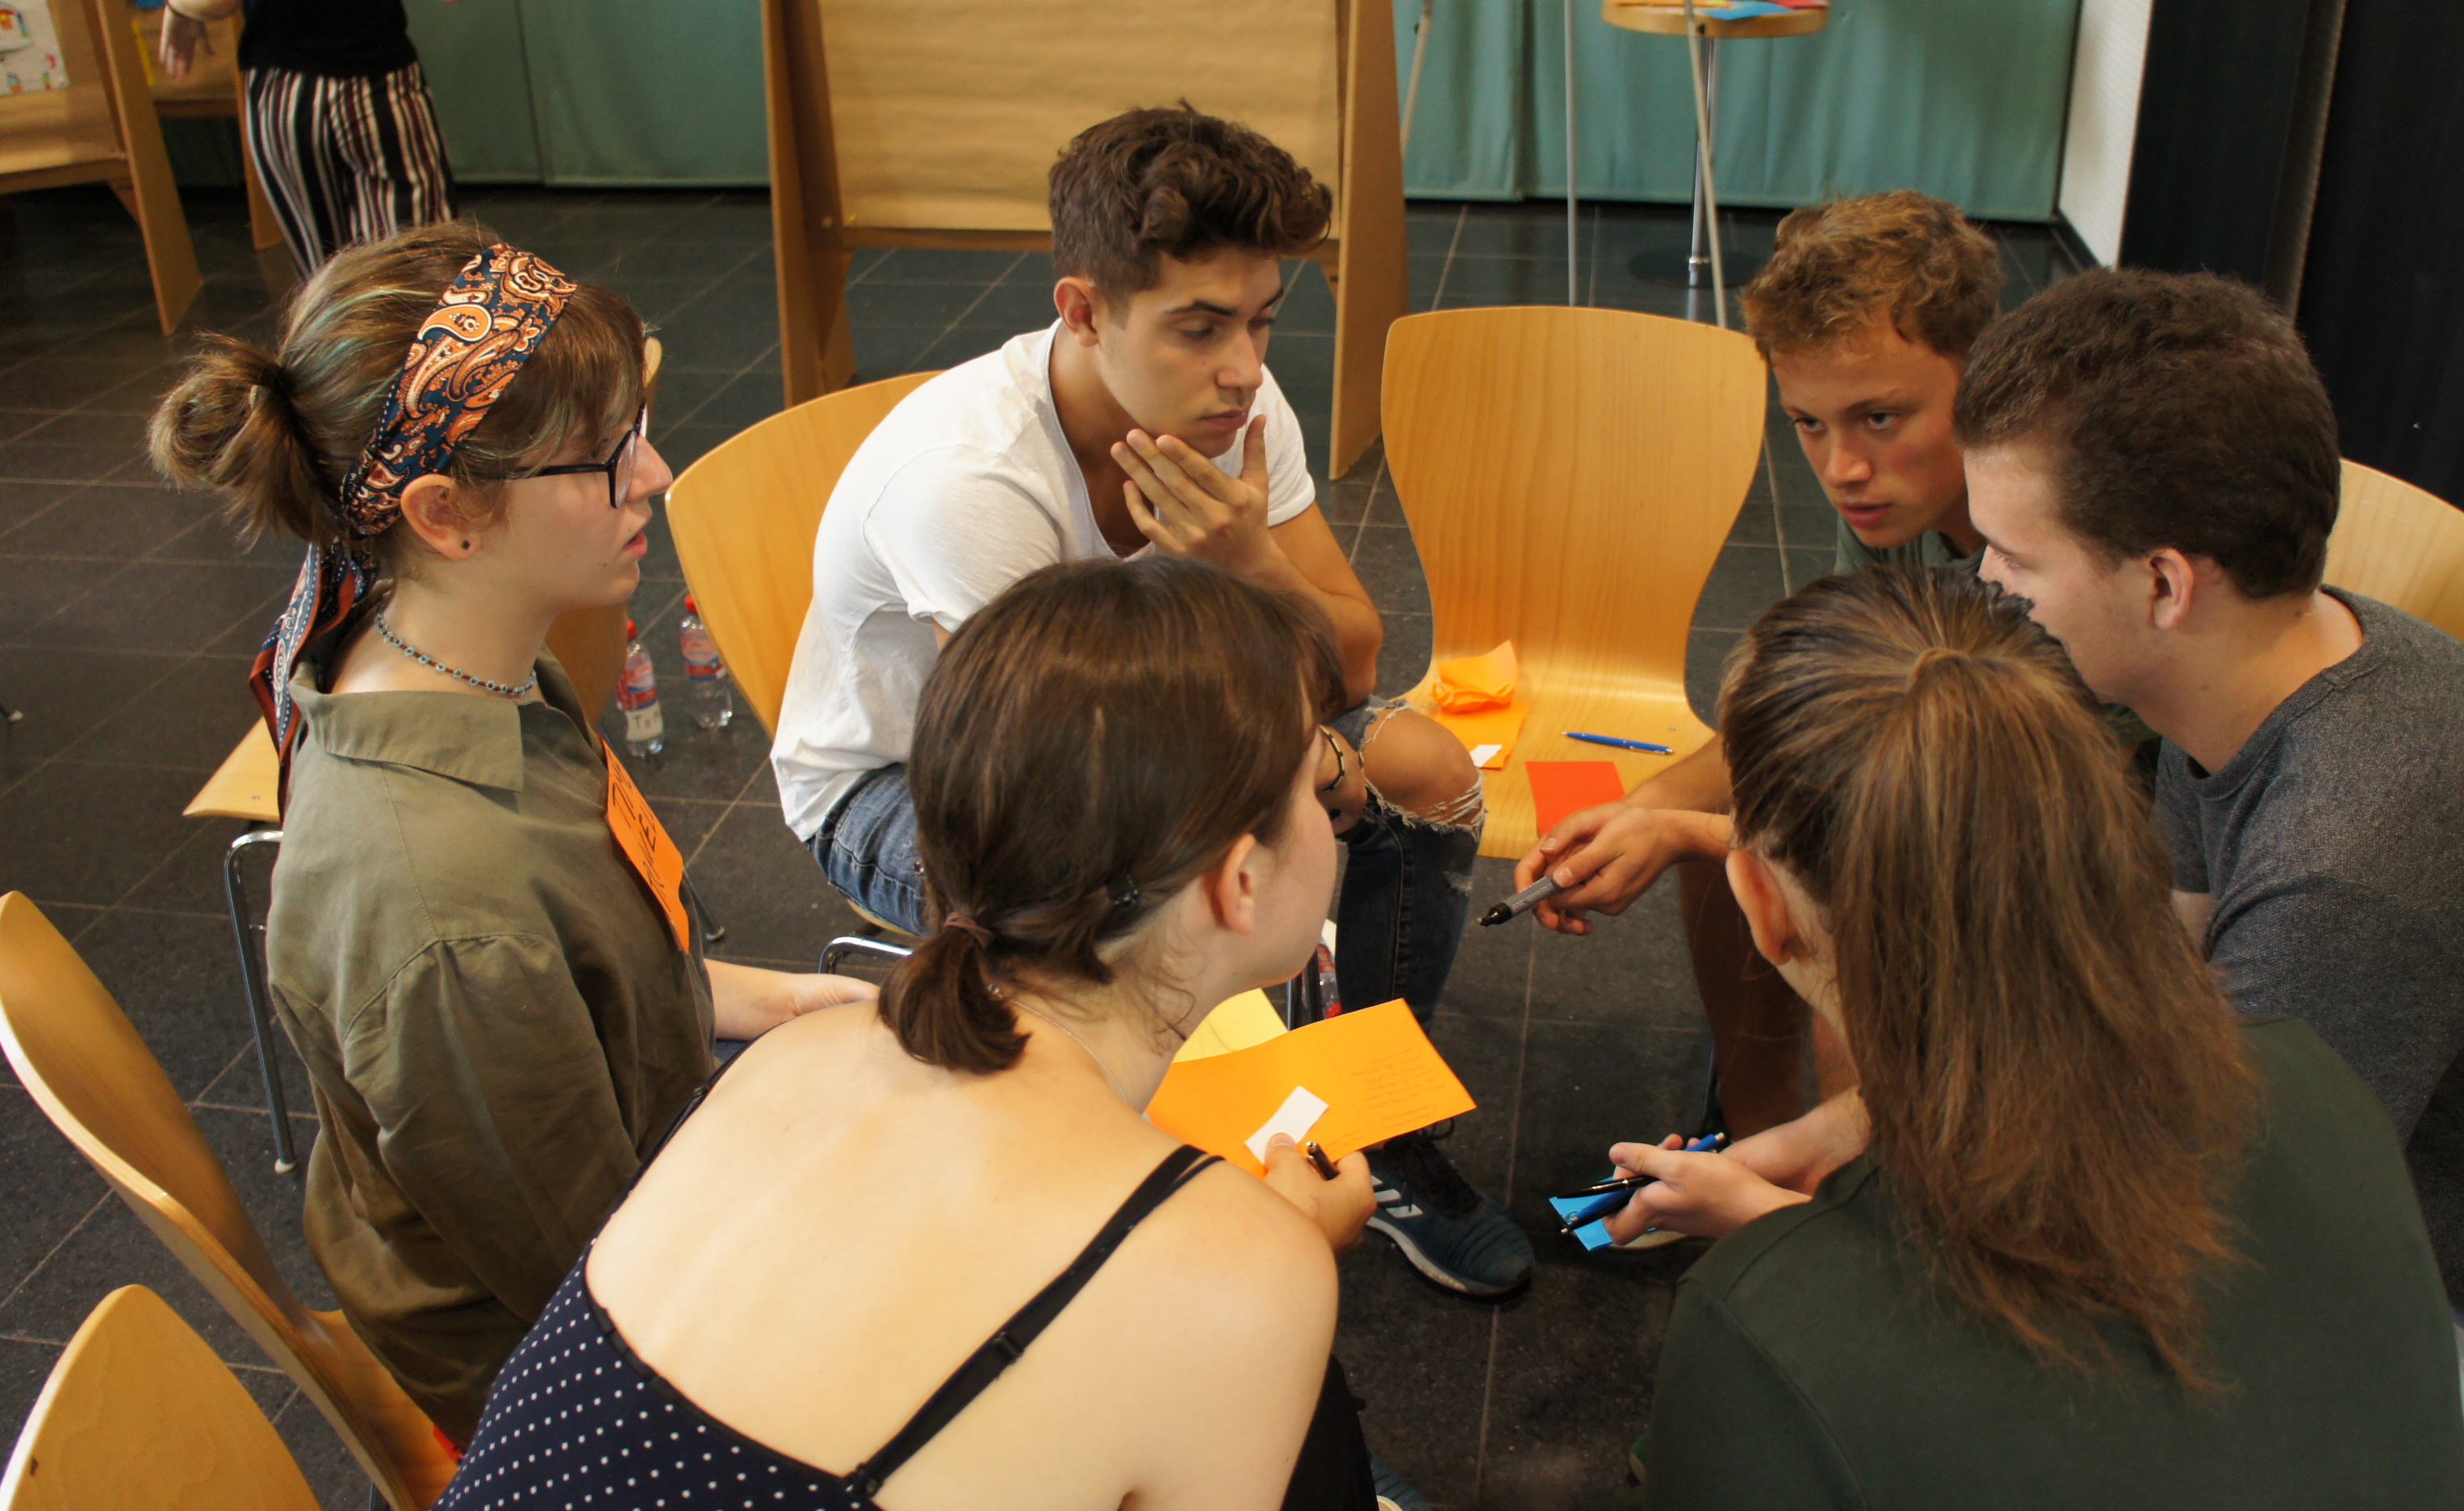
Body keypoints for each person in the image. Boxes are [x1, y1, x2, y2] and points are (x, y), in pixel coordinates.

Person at [435, 557, 1416, 1511]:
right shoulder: (1239, 1273)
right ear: (1238, 881)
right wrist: (1276, 1259)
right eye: (1312, 781)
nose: (1332, 805)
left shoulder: (796, 1054)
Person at [1953, 268, 2464, 1510]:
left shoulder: (2347, 876)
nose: (1987, 579)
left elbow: (2194, 1245)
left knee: (2055, 1441)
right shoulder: (2267, 670)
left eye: (2016, 553)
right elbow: (2159, 1005)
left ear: (2163, 584)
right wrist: (1856, 1136)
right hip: (2450, 1241)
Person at [770, 104, 1529, 1297]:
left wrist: (1252, 566)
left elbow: (1353, 658)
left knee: (1429, 778)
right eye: (1200, 326)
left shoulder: (1232, 406)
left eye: (1262, 319)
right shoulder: (969, 479)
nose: (1245, 365)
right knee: (1184, 896)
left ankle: (1367, 1128)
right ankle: (1171, 1203)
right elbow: (1065, 782)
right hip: (927, 781)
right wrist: (1301, 766)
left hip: (1175, 710)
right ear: (1083, 310)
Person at [148, 224, 873, 1442]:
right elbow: (598, 1283)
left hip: (631, 1194)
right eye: (606, 457)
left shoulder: (457, 661)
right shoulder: (451, 921)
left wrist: (796, 1003)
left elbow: (599, 990)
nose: (655, 475)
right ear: (445, 512)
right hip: (566, 1366)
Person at [1607, 566, 2464, 1509]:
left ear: (1759, 901)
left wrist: (1790, 1269)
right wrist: (1838, 1176)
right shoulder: (2308, 1078)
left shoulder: (1758, 1335)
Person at [1508, 192, 2002, 1136]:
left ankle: (1842, 1180)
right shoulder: (1904, 506)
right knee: (1759, 741)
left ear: (1983, 380)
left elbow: (1964, 827)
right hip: (1944, 790)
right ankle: (1758, 1132)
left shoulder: (2056, 540)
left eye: (1879, 418)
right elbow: (1809, 726)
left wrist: (1693, 834)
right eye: (1808, 424)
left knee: (1830, 899)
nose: (1841, 467)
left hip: (2060, 854)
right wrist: (1642, 811)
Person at [157, 0, 455, 278]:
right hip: (377, 78)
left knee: (324, 280)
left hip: (286, 92)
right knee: (419, 271)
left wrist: (182, 9)